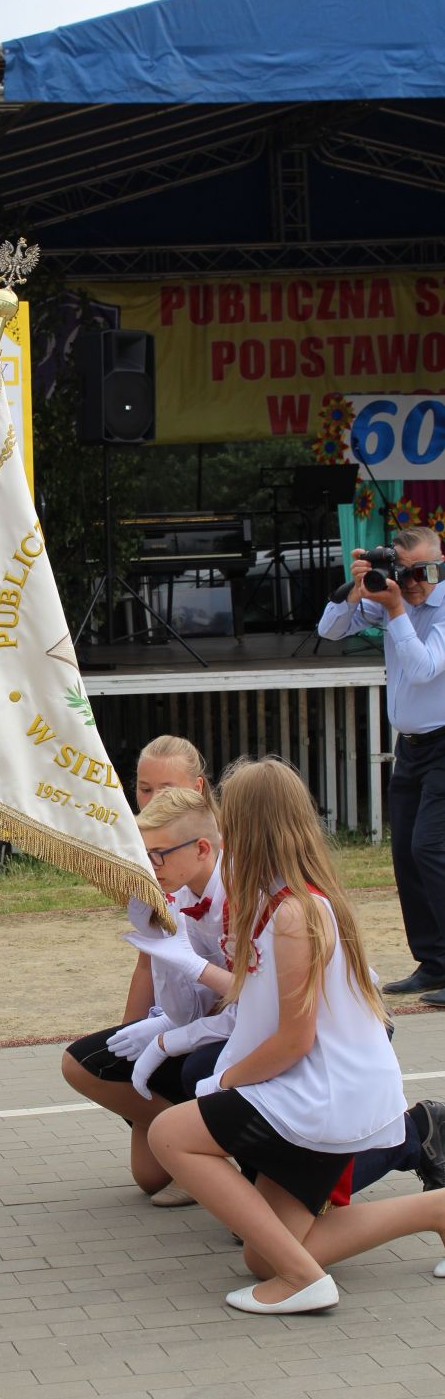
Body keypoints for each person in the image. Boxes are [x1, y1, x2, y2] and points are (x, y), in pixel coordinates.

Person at [148, 757, 445, 1316]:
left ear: (249, 827)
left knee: (171, 1134)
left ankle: (304, 1281)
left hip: (320, 1092)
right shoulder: (283, 899)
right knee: (263, 1257)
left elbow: (295, 1039)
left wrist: (224, 1082)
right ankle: (437, 1211)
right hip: (315, 1086)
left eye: (228, 821)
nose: (222, 833)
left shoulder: (295, 912)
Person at [62, 786, 233, 1206]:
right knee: (85, 1064)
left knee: (199, 1070)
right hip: (227, 1020)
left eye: (158, 853)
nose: (148, 865)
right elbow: (185, 1008)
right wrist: (158, 939)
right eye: (143, 852)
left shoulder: (243, 890)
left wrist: (169, 1038)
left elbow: (262, 1003)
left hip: (297, 1028)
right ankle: (203, 1152)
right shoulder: (179, 889)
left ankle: (226, 1157)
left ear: (203, 847)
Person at [317, 526, 445, 1003]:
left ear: (440, 562)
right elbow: (328, 630)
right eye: (404, 573)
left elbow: (425, 668)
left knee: (431, 847)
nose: (412, 584)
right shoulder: (390, 596)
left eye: (423, 573)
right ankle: (434, 962)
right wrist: (356, 590)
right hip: (412, 745)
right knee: (406, 854)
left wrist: (394, 611)